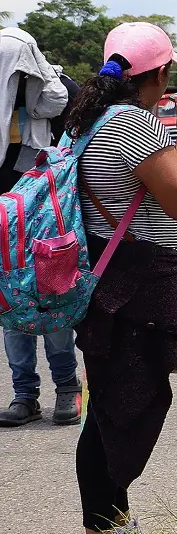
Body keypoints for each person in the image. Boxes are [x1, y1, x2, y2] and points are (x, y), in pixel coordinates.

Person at [69, 22, 177, 533]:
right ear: (162, 72)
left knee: (108, 404)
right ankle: (105, 522)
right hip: (135, 288)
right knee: (121, 409)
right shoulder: (133, 125)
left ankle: (110, 517)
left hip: (102, 281)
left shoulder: (89, 119)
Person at [0, 27, 78, 428]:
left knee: (51, 298)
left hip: (47, 219)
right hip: (3, 224)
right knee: (10, 304)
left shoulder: (59, 90)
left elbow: (77, 147)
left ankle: (67, 388)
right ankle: (24, 395)